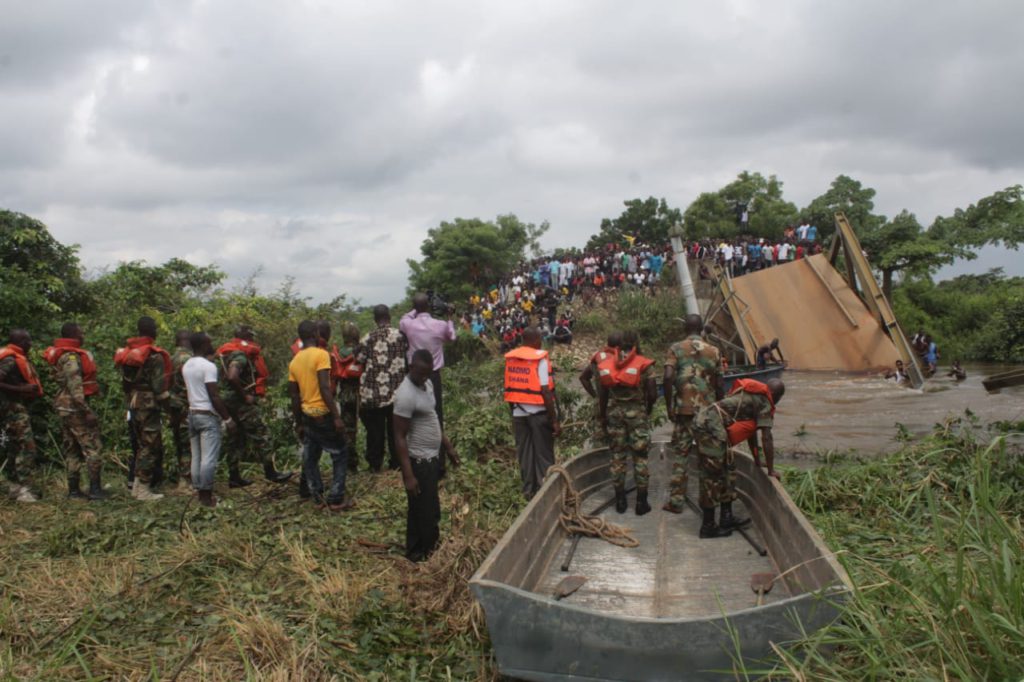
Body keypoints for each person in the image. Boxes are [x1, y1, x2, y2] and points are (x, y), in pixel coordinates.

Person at [692, 378, 785, 538]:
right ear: (776, 395)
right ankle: (708, 527)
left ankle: (726, 518)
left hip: (713, 426)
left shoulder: (753, 396)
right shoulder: (765, 402)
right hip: (709, 427)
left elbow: (751, 433)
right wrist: (770, 471)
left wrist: (757, 461)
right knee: (712, 476)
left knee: (728, 470)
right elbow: (767, 438)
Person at [394, 349, 461, 562]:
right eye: (421, 373)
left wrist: (448, 447)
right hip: (418, 460)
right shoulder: (405, 395)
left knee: (425, 506)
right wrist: (408, 475)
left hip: (432, 456)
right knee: (425, 510)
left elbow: (433, 418)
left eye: (427, 374)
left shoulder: (427, 384)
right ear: (411, 367)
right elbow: (399, 436)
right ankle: (428, 554)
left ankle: (417, 550)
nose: (424, 378)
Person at [217, 325, 293, 487]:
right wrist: (245, 396)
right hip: (241, 403)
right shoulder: (240, 356)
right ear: (247, 338)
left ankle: (234, 477)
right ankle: (271, 473)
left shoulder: (227, 353)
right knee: (262, 435)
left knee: (235, 439)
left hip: (228, 402)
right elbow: (232, 376)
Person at [289, 320, 352, 509]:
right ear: (316, 334)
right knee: (340, 453)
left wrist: (298, 422)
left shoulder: (295, 361)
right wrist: (336, 416)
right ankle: (336, 497)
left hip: (307, 415)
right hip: (323, 413)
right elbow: (325, 387)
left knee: (311, 456)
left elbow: (294, 396)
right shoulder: (321, 355)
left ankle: (317, 495)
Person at [663, 315, 722, 515]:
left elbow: (668, 376)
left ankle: (676, 502)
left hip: (684, 411)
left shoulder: (676, 348)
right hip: (707, 412)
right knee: (707, 459)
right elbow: (719, 382)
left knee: (681, 455)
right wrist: (720, 408)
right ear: (700, 328)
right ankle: (708, 504)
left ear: (685, 329)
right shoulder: (714, 351)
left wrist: (669, 405)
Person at [42, 323, 106, 500]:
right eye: (81, 332)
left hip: (64, 408)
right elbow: (75, 387)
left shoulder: (62, 355)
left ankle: (74, 491)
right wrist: (86, 411)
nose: (83, 335)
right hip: (75, 409)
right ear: (73, 336)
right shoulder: (71, 357)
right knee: (92, 447)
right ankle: (95, 490)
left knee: (72, 449)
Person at [114, 316, 172, 501]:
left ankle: (137, 486)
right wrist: (169, 407)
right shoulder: (154, 356)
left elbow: (125, 383)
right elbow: (158, 387)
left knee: (140, 444)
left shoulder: (129, 355)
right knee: (150, 445)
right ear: (151, 331)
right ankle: (144, 489)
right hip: (148, 405)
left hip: (132, 403)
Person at [599, 330, 656, 515]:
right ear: (636, 344)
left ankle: (620, 501)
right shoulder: (644, 364)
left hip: (615, 415)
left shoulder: (608, 364)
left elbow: (603, 393)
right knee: (640, 457)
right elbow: (653, 393)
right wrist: (646, 410)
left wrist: (603, 414)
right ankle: (641, 502)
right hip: (637, 415)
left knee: (617, 457)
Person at [400, 293, 457, 475]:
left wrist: (415, 310)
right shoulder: (439, 325)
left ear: (415, 307)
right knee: (435, 417)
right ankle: (439, 464)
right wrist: (449, 317)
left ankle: (417, 460)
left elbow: (404, 319)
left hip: (414, 377)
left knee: (414, 419)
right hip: (433, 376)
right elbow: (452, 336)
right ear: (430, 307)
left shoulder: (408, 324)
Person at [504, 327, 560, 499]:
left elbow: (509, 388)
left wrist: (514, 413)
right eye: (540, 339)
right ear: (535, 340)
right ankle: (546, 495)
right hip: (539, 415)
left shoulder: (512, 359)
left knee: (525, 455)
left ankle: (528, 492)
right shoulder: (540, 360)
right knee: (544, 455)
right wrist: (554, 420)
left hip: (518, 414)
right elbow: (545, 392)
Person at [182, 332, 235, 508]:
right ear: (204, 344)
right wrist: (227, 418)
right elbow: (214, 395)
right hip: (207, 416)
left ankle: (199, 492)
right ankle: (207, 497)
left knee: (196, 456)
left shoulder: (187, 365)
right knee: (208, 459)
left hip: (192, 414)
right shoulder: (208, 366)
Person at [355, 305, 408, 472]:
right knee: (396, 432)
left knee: (375, 433)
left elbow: (358, 359)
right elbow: (407, 355)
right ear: (389, 317)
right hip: (397, 393)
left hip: (374, 393)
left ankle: (375, 465)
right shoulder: (400, 336)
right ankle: (396, 463)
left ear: (375, 319)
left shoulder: (367, 338)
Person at [0, 329, 44, 502]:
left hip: (13, 407)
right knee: (26, 446)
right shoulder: (10, 360)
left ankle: (15, 487)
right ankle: (24, 489)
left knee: (15, 446)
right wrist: (21, 389)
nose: (30, 344)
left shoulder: (11, 357)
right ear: (21, 342)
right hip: (11, 409)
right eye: (28, 341)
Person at [334, 322, 364, 472]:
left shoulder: (338, 352)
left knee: (348, 430)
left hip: (345, 394)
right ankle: (372, 462)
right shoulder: (360, 351)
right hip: (362, 393)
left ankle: (351, 464)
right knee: (370, 427)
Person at [166, 329, 194, 489]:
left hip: (172, 406)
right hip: (185, 406)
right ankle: (185, 480)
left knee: (178, 441)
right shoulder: (188, 359)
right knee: (187, 444)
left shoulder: (169, 358)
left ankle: (181, 477)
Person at [578, 331, 622, 400]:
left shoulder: (598, 359)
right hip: (623, 402)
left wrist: (595, 396)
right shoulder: (624, 359)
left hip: (603, 402)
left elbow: (583, 378)